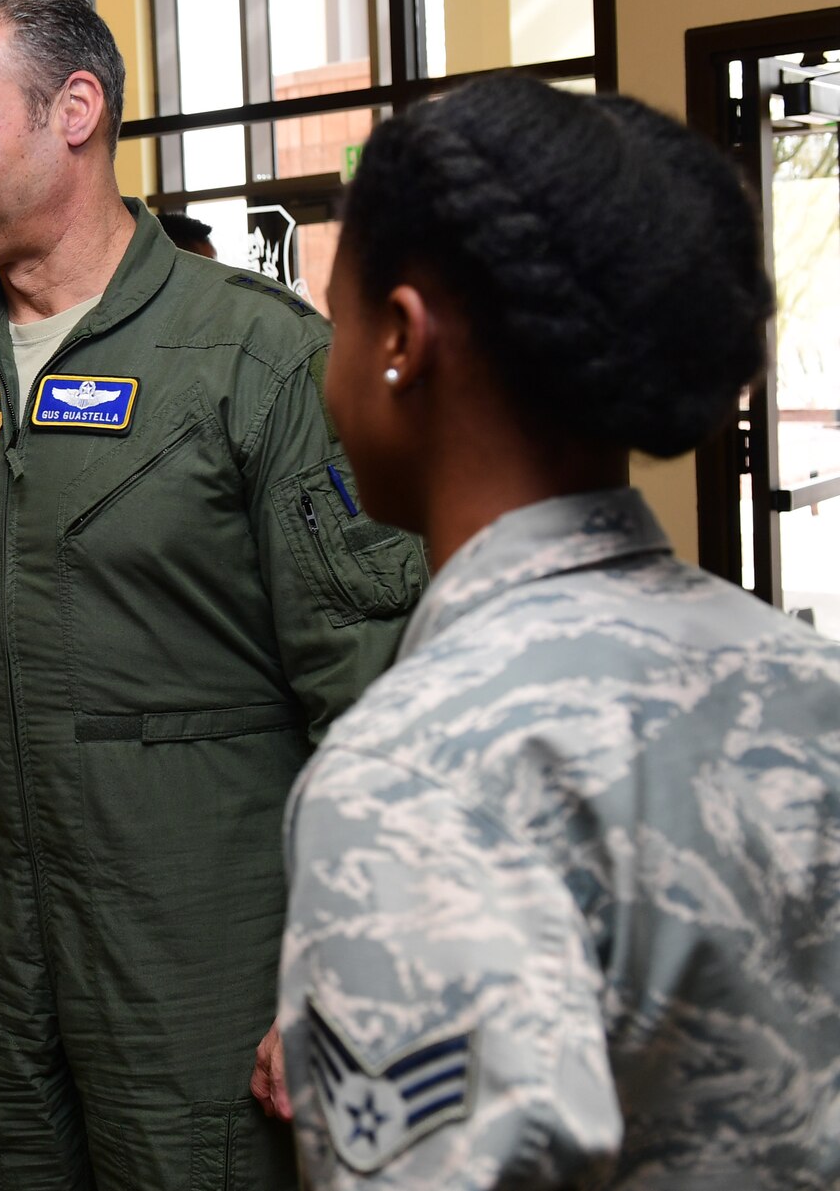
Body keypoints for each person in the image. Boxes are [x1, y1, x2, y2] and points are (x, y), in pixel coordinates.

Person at [0, 0, 423, 1188]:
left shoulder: (258, 358)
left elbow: (373, 700)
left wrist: (340, 969)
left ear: (75, 110)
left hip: (208, 953)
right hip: (2, 960)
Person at [277, 76, 840, 1188]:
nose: (323, 373)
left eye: (332, 320)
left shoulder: (413, 775)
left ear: (398, 337)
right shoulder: (805, 676)